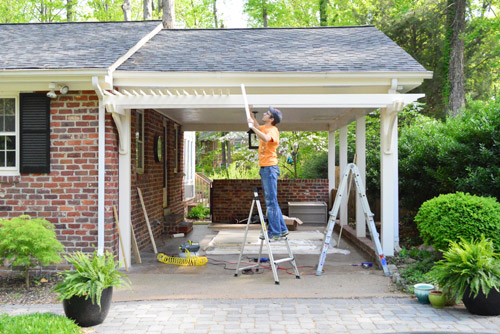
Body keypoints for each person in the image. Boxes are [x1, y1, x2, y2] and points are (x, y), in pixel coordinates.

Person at [247, 105, 288, 241]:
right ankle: (282, 230)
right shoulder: (266, 128)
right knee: (272, 202)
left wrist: (252, 128)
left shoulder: (273, 130)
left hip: (270, 168)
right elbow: (257, 126)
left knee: (271, 202)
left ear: (271, 119)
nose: (264, 114)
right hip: (265, 168)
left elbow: (266, 138)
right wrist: (250, 113)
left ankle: (274, 233)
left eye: (267, 113)